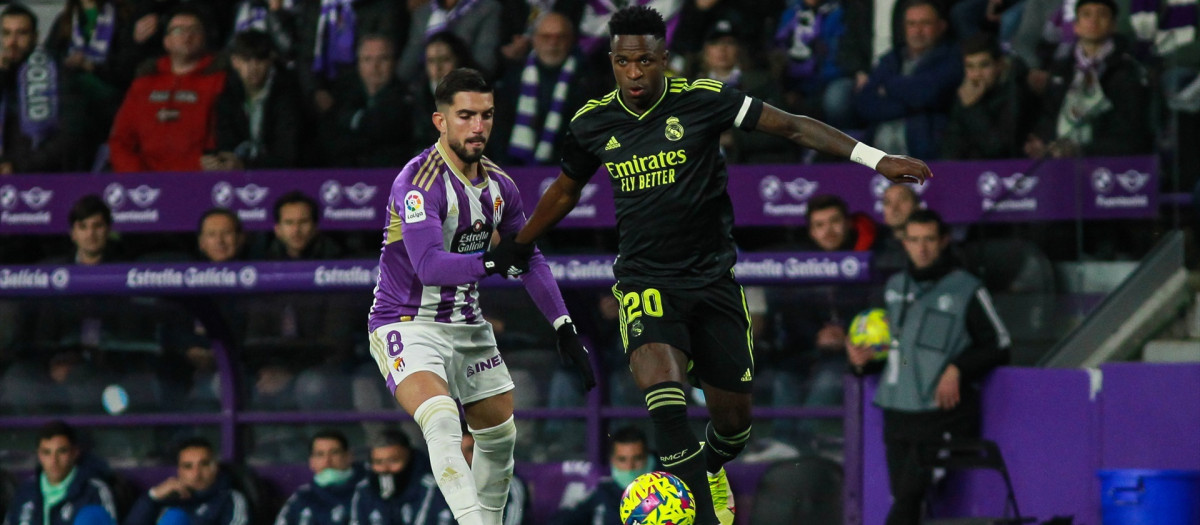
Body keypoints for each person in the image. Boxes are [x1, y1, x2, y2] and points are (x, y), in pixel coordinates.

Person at [505, 6, 931, 525]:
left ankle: (712, 466)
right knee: (665, 400)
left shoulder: (703, 100)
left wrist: (875, 158)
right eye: (622, 62)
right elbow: (566, 191)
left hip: (712, 281)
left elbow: (793, 127)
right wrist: (521, 243)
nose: (634, 73)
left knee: (733, 424)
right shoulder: (592, 121)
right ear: (612, 62)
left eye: (644, 61)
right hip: (645, 278)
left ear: (664, 58)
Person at [365, 67, 594, 525]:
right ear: (440, 121)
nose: (478, 127)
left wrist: (564, 326)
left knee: (500, 436)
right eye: (466, 115)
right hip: (407, 323)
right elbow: (429, 266)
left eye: (486, 116)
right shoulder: (418, 182)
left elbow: (529, 258)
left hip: (468, 325)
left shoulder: (499, 186)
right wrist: (493, 261)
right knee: (442, 420)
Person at [845, 209, 1011, 525]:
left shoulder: (966, 288)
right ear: (904, 243)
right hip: (897, 411)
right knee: (906, 498)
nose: (922, 248)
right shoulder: (894, 287)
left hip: (941, 414)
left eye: (930, 240)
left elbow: (1000, 345)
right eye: (915, 240)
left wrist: (958, 369)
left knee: (909, 496)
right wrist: (862, 363)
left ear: (944, 241)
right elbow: (895, 350)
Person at [1022, 0, 1151, 159]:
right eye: (1086, 14)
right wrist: (1043, 143)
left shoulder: (1126, 71)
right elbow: (1049, 115)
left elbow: (1130, 134)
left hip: (1107, 164)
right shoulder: (1061, 70)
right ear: (1076, 26)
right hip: (1062, 163)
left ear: (1113, 25)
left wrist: (1080, 150)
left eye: (1102, 14)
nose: (1094, 20)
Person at [107, 5, 227, 172]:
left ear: (204, 37)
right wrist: (136, 175)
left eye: (194, 30)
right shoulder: (143, 83)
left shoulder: (220, 80)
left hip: (198, 180)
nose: (187, 35)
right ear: (166, 41)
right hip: (144, 183)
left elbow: (224, 138)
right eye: (178, 30)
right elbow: (120, 140)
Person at [854, 0, 962, 160]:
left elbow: (929, 94)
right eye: (911, 24)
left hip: (926, 153)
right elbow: (865, 103)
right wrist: (913, 100)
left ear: (941, 26)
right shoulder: (891, 59)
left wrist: (888, 88)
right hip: (877, 157)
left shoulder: (952, 58)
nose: (917, 31)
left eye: (925, 23)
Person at [490, 12, 600, 166]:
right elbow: (500, 128)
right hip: (515, 168)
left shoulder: (588, 80)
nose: (553, 43)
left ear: (571, 40)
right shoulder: (513, 77)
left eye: (560, 37)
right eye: (546, 37)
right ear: (534, 39)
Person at [0, 4, 85, 174]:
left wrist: (18, 167)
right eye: (6, 33)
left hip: (39, 177)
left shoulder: (58, 74)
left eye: (21, 33)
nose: (12, 42)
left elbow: (67, 137)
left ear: (36, 37)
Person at [208, 29, 302, 170]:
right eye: (246, 60)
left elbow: (288, 154)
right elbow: (225, 143)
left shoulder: (288, 94)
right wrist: (219, 161)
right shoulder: (227, 95)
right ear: (235, 62)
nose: (253, 67)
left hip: (283, 177)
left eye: (259, 59)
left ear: (270, 60)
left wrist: (245, 165)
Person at [320, 34, 412, 168]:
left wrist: (354, 123)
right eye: (367, 59)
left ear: (395, 63)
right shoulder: (343, 96)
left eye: (383, 59)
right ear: (358, 64)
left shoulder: (406, 97)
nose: (375, 66)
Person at [5, 421, 117, 525]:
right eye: (47, 452)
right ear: (39, 455)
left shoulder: (94, 491)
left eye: (62, 451)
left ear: (74, 453)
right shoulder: (25, 491)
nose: (54, 460)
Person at [941, 33, 1030, 160]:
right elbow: (951, 148)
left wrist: (973, 107)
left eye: (984, 65)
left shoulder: (1016, 91)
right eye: (970, 66)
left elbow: (998, 148)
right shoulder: (966, 93)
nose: (977, 74)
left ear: (1000, 65)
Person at [124, 437, 249, 525]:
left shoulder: (230, 499)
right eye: (188, 466)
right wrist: (152, 497)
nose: (196, 474)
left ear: (215, 467)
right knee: (174, 516)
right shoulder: (168, 498)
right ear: (180, 471)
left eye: (204, 464)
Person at [548, 426, 653, 525]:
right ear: (612, 461)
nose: (630, 467)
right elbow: (563, 520)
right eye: (622, 459)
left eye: (637, 458)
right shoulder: (603, 491)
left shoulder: (664, 492)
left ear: (648, 459)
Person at [349, 429, 451, 525]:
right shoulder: (364, 489)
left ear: (409, 459)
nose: (385, 468)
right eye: (378, 462)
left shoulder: (432, 489)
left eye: (393, 461)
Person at [275, 430, 365, 525]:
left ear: (348, 456)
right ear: (311, 462)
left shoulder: (367, 492)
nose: (327, 460)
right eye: (320, 454)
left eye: (334, 453)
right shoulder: (301, 497)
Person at [459, 426, 528, 525]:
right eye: (460, 452)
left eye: (470, 450)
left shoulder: (508, 485)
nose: (463, 458)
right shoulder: (446, 484)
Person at [43, 194, 122, 265]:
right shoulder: (51, 268)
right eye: (83, 227)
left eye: (97, 226)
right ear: (72, 233)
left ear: (108, 230)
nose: (91, 233)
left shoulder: (122, 269)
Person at [265, 191, 342, 260]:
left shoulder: (336, 259)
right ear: (277, 229)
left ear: (316, 227)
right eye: (289, 222)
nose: (296, 230)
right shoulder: (265, 259)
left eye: (303, 222)